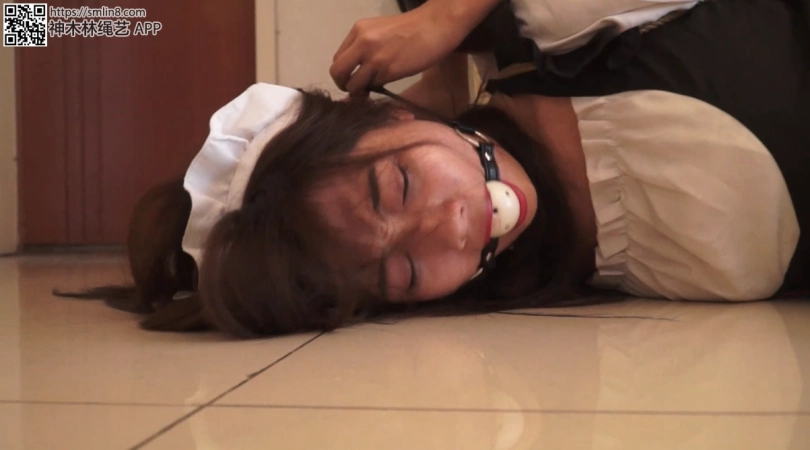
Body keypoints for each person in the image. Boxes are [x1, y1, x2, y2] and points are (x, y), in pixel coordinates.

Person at [59, 0, 809, 338]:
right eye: (405, 272)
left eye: (399, 187)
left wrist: (447, 18)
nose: (452, 227)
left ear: (390, 115)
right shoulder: (551, 289)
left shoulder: (563, 26)